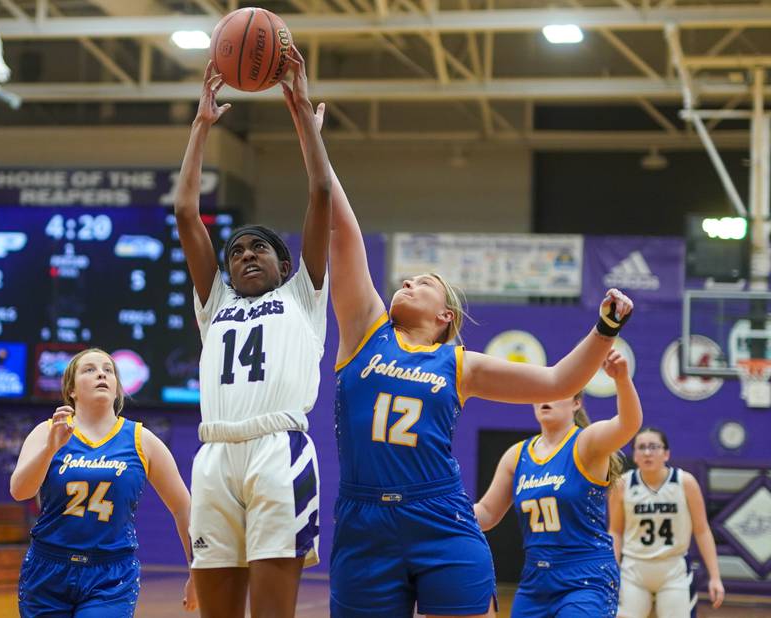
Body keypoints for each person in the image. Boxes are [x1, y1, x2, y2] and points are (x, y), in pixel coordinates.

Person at [284, 98, 634, 617]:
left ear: (445, 316)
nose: (406, 282)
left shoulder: (461, 363)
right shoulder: (364, 331)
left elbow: (560, 379)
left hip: (439, 515)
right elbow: (343, 233)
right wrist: (313, 144)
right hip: (363, 519)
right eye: (405, 279)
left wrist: (605, 328)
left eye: (422, 283)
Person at [174, 51, 331, 618]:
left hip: (277, 451)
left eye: (258, 246)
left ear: (284, 264)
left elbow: (320, 196)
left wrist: (297, 116)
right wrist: (201, 126)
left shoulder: (302, 296)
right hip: (214, 454)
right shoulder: (214, 302)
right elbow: (186, 212)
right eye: (236, 250)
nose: (244, 256)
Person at [10, 348, 196, 617]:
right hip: (47, 568)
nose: (101, 374)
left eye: (108, 370)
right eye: (89, 369)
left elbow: (183, 507)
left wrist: (197, 571)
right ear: (71, 390)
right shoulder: (48, 431)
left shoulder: (142, 440)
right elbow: (19, 491)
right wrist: (50, 449)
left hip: (111, 575)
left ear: (117, 388)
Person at [474, 349, 642, 617]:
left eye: (555, 391)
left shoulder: (586, 443)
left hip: (586, 577)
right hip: (535, 580)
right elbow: (487, 513)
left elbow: (627, 425)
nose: (545, 398)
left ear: (576, 403)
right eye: (539, 392)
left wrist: (622, 379)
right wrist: (444, 514)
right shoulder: (516, 455)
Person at [609, 427, 725, 617]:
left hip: (674, 568)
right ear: (635, 456)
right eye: (641, 447)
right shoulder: (622, 484)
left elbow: (702, 530)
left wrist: (715, 577)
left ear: (666, 453)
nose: (647, 452)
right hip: (634, 568)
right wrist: (613, 571)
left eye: (654, 447)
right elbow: (615, 531)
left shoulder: (685, 482)